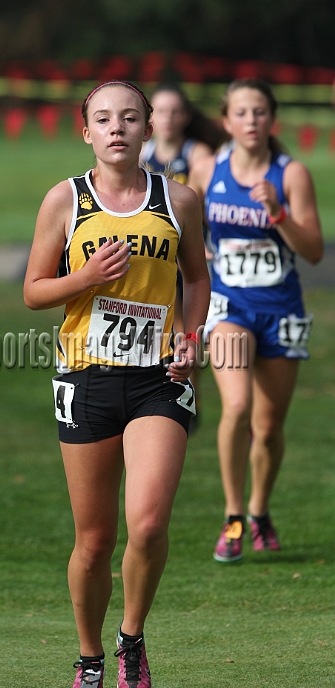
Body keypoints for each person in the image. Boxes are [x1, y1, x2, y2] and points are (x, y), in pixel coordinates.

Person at [24, 80, 210, 688]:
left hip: (160, 376)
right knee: (94, 540)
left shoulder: (179, 199)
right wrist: (85, 277)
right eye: (103, 118)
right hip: (86, 377)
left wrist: (192, 336)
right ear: (86, 131)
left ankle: (131, 637)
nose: (116, 128)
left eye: (129, 117)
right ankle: (90, 657)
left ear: (149, 126)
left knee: (150, 523)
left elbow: (198, 278)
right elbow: (33, 290)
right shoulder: (64, 200)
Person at [188, 78, 323, 562]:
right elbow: (180, 222)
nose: (251, 120)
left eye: (260, 112)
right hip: (229, 307)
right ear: (226, 121)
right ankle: (233, 517)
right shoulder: (206, 169)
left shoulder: (292, 174)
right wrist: (196, 250)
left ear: (272, 120)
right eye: (241, 113)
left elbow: (313, 251)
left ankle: (260, 510)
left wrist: (278, 213)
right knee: (237, 407)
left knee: (267, 428)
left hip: (281, 310)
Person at [141, 84, 226, 430]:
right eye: (160, 111)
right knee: (168, 330)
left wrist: (203, 245)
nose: (168, 118)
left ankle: (191, 396)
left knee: (191, 332)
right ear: (150, 119)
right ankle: (170, 394)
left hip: (193, 253)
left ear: (186, 116)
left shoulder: (197, 153)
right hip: (160, 254)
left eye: (175, 111)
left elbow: (207, 207)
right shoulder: (142, 154)